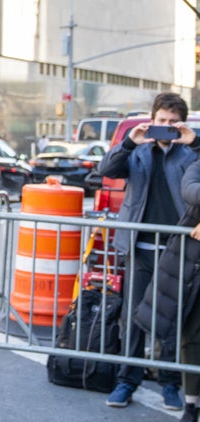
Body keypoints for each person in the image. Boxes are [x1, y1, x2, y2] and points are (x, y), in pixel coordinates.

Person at [99, 92, 200, 410]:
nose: (166, 126)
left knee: (171, 317)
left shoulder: (189, 153)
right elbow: (107, 168)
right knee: (132, 317)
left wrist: (195, 142)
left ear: (181, 123)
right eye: (161, 120)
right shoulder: (138, 150)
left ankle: (170, 383)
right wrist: (130, 141)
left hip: (177, 249)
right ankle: (127, 381)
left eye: (173, 122)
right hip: (139, 246)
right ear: (152, 119)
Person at [134, 159, 200, 421]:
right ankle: (192, 404)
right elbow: (190, 190)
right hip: (192, 266)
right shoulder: (198, 166)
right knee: (191, 336)